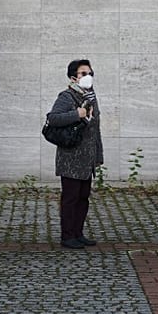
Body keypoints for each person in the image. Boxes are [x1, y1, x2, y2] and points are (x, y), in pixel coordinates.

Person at [47, 59, 104, 249]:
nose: (88, 77)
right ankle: (67, 235)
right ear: (73, 77)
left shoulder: (91, 98)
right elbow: (53, 118)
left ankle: (78, 233)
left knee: (83, 197)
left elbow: (95, 129)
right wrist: (76, 114)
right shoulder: (67, 97)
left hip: (86, 158)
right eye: (83, 73)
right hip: (70, 157)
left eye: (90, 73)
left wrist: (98, 155)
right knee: (70, 198)